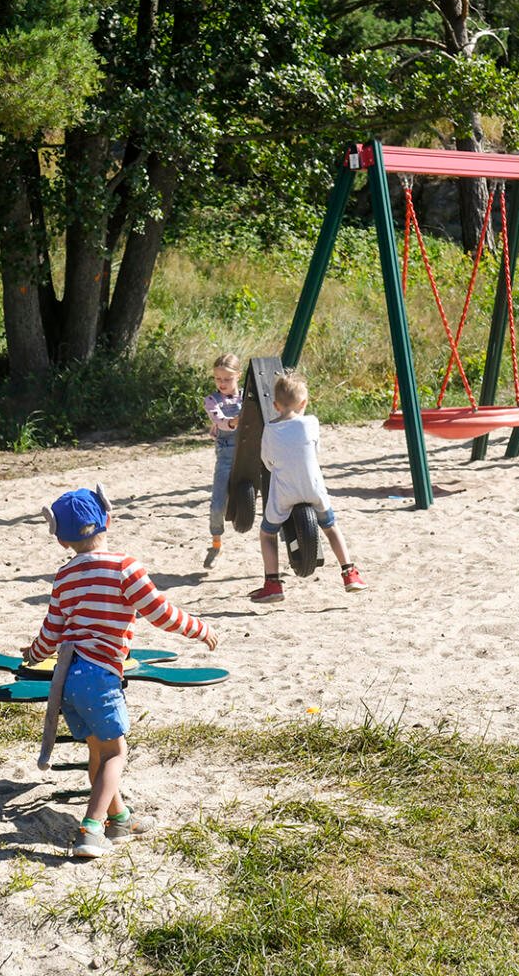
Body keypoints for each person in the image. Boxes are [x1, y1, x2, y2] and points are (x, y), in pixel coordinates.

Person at [25, 488, 218, 859]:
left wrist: (33, 654)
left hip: (68, 678)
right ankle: (91, 829)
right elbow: (160, 612)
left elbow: (52, 631)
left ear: (61, 538)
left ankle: (120, 820)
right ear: (108, 520)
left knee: (97, 752)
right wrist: (198, 628)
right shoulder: (124, 568)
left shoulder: (64, 575)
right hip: (100, 676)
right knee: (116, 753)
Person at [249, 370, 364, 602]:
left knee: (267, 533)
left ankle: (272, 583)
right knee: (331, 527)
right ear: (304, 403)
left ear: (275, 405)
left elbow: (267, 461)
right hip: (313, 488)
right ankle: (349, 572)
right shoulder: (311, 423)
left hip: (284, 492)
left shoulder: (270, 430)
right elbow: (315, 451)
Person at [202, 355, 242, 569]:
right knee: (218, 504)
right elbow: (220, 422)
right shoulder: (212, 400)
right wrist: (238, 420)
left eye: (227, 379)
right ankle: (216, 544)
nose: (222, 383)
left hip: (252, 454)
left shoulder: (247, 398)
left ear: (238, 376)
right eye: (218, 379)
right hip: (227, 455)